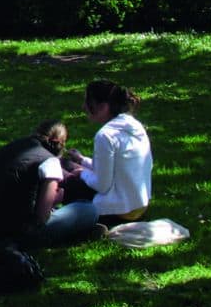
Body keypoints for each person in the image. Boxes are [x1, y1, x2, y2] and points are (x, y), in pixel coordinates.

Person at [0, 119, 100, 248]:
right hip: (16, 232)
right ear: (59, 144)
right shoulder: (50, 162)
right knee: (89, 209)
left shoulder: (8, 148)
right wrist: (55, 199)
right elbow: (42, 218)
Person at [64, 80, 153, 226]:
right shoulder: (134, 126)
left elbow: (102, 185)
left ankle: (87, 223)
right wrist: (82, 160)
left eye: (88, 102)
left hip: (119, 211)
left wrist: (81, 173)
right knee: (70, 165)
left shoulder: (105, 135)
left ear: (104, 107)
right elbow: (114, 169)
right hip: (139, 205)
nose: (83, 107)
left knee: (66, 177)